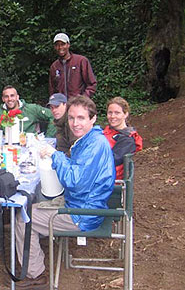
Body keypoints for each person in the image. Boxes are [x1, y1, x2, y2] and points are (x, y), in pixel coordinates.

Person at [14, 96, 115, 289]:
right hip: (81, 203)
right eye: (71, 118)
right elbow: (77, 174)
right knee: (33, 204)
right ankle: (35, 253)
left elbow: (74, 181)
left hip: (83, 214)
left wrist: (56, 156)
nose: (75, 123)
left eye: (81, 118)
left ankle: (35, 275)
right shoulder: (89, 139)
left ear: (92, 119)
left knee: (24, 218)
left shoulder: (95, 145)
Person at [103, 97, 143, 179]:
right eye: (110, 113)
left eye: (117, 113)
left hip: (109, 180)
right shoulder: (106, 131)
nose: (112, 116)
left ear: (125, 114)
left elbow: (111, 161)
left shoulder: (128, 139)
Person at [49, 33, 97, 99]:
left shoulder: (81, 61)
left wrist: (83, 98)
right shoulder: (54, 66)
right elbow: (52, 89)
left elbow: (92, 84)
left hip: (78, 105)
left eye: (63, 44)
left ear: (68, 45)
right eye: (57, 45)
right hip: (62, 106)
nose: (60, 47)